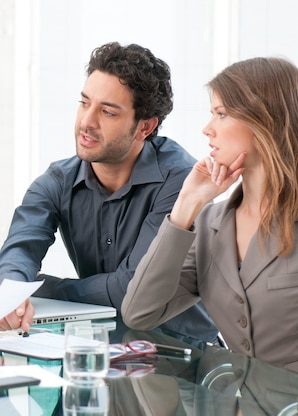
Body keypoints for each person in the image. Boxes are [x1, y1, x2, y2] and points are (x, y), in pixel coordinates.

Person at [0, 42, 218, 346]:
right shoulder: (58, 180)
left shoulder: (181, 181)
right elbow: (17, 251)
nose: (87, 121)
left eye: (107, 112)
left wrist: (39, 288)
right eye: (84, 103)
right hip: (105, 351)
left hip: (183, 359)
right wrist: (14, 292)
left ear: (145, 127)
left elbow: (130, 287)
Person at [122, 56, 298, 372]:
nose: (208, 129)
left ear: (264, 121)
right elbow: (139, 313)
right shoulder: (210, 224)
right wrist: (185, 207)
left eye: (221, 114)